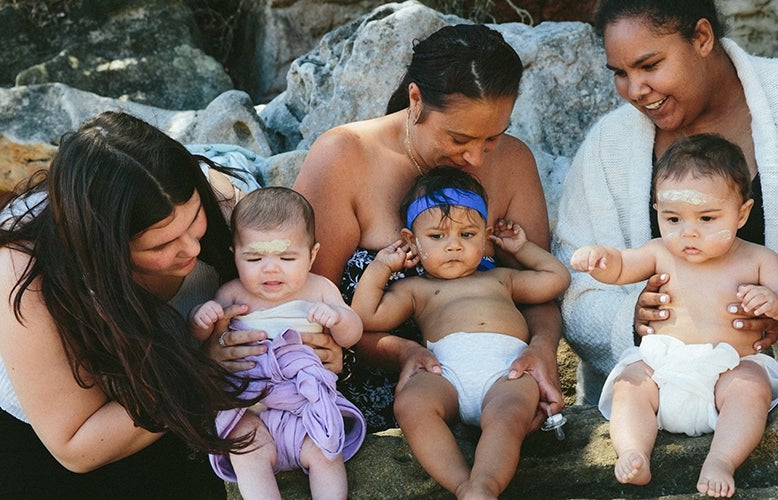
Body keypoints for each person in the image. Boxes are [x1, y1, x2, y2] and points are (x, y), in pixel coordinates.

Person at [553, 0, 778, 406]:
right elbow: (574, 284)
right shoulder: (607, 147)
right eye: (620, 73)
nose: (634, 90)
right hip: (649, 417)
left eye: (650, 66)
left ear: (702, 37)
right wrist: (629, 320)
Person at [293, 23, 564, 432]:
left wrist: (542, 350)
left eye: (493, 138)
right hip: (368, 379)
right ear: (416, 99)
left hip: (496, 382)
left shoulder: (512, 162)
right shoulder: (344, 158)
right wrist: (403, 353)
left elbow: (536, 288)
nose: (476, 158)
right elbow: (308, 303)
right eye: (459, 138)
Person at [0, 111, 272, 498]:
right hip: (59, 439)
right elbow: (76, 446)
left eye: (194, 219)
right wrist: (202, 376)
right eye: (161, 246)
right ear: (105, 250)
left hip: (179, 398)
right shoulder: (24, 269)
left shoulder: (212, 194)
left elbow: (290, 289)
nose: (192, 249)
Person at [571, 134, 778, 497]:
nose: (689, 232)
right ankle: (634, 450)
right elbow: (621, 267)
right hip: (661, 365)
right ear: (657, 211)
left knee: (752, 389)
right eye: (673, 218)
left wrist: (777, 301)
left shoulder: (757, 259)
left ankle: (721, 460)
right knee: (630, 385)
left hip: (729, 370)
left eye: (706, 217)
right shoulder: (659, 252)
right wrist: (600, 259)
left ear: (742, 213)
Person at [351, 168, 570, 498]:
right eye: (437, 237)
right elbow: (364, 316)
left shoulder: (501, 279)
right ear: (412, 241)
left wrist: (522, 248)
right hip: (444, 372)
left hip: (507, 371)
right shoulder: (417, 289)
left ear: (484, 237)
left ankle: (484, 486)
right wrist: (381, 267)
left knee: (509, 416)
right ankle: (462, 485)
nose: (453, 246)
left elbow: (556, 279)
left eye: (467, 235)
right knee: (411, 405)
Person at [189, 187, 366, 500]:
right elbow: (206, 342)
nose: (270, 268)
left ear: (312, 254)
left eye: (287, 257)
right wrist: (202, 318)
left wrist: (339, 318)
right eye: (254, 257)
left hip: (307, 406)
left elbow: (351, 336)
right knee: (244, 450)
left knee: (327, 451)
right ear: (235, 254)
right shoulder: (232, 293)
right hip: (251, 408)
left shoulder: (320, 289)